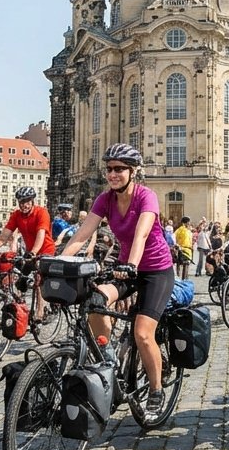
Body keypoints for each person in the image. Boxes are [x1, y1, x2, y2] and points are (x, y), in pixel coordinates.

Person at [61, 144, 177, 415]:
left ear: (132, 172)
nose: (113, 174)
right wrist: (61, 261)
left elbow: (142, 234)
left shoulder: (146, 197)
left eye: (119, 169)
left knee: (142, 333)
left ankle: (156, 388)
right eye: (109, 169)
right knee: (95, 299)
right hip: (126, 268)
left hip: (155, 271)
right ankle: (109, 359)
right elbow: (82, 233)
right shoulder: (105, 199)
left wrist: (131, 265)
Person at [0, 187, 57, 318]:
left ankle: (40, 312)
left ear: (32, 201)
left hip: (45, 251)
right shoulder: (16, 215)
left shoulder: (41, 212)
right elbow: (4, 236)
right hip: (29, 252)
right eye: (21, 202)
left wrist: (33, 252)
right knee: (18, 277)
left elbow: (41, 234)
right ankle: (21, 306)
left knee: (39, 278)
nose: (24, 205)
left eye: (27, 201)